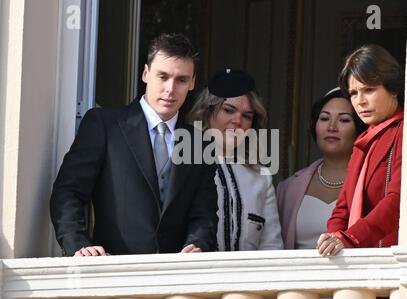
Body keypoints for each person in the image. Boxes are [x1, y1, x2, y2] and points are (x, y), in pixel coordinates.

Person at [50, 33, 218, 256]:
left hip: (177, 278)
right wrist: (79, 246)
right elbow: (69, 191)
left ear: (192, 83)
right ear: (146, 73)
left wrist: (197, 245)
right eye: (163, 76)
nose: (170, 88)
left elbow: (204, 213)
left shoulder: (201, 144)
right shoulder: (104, 125)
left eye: (181, 80)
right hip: (111, 272)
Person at [317, 44, 405, 256]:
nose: (360, 101)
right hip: (356, 263)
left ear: (392, 87)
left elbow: (397, 201)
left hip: (388, 261)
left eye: (369, 89)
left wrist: (350, 239)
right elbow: (343, 207)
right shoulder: (364, 140)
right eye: (354, 93)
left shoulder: (406, 130)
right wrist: (334, 237)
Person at [188, 69, 283, 251]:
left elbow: (272, 247)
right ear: (206, 112)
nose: (237, 121)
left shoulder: (261, 177)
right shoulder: (182, 166)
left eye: (247, 116)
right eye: (228, 110)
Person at [277, 88, 367, 249]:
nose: (332, 127)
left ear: (359, 128)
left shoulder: (370, 182)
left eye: (344, 120)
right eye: (324, 118)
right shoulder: (288, 188)